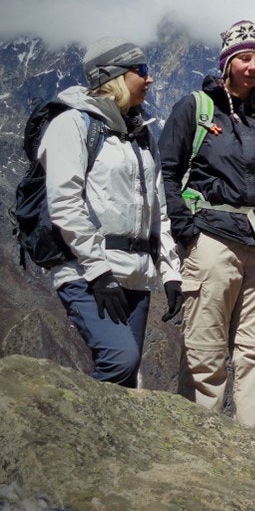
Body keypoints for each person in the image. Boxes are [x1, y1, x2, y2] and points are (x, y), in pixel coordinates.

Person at [159, 20, 255, 435]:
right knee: (205, 345)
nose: (252, 67)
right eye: (244, 58)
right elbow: (166, 169)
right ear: (227, 63)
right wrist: (185, 229)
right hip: (213, 238)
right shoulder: (196, 108)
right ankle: (197, 440)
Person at [39, 38, 184, 387]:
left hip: (135, 275)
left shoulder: (140, 135)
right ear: (115, 76)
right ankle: (58, 432)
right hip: (88, 273)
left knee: (126, 379)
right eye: (142, 71)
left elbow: (158, 210)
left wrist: (170, 273)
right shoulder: (72, 125)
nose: (150, 80)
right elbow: (65, 203)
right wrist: (99, 272)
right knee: (120, 360)